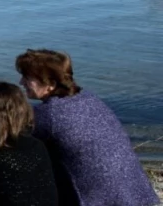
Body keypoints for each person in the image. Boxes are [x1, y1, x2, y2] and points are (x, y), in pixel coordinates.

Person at [15, 49, 159, 206]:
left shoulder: (49, 115)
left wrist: (0, 101)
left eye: (27, 77)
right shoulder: (88, 98)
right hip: (137, 194)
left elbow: (10, 135)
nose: (21, 82)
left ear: (50, 84)